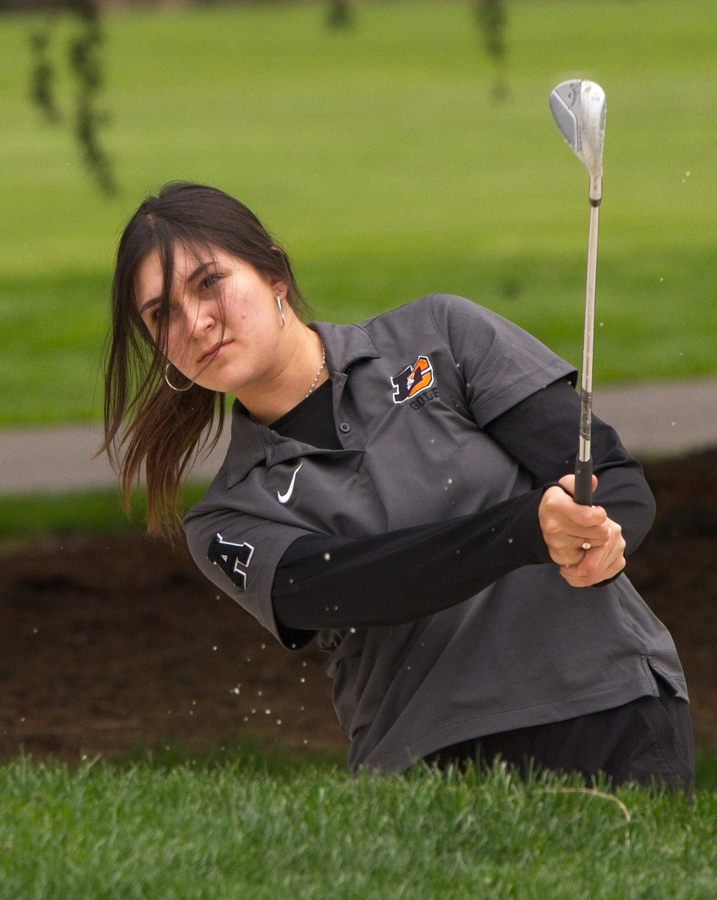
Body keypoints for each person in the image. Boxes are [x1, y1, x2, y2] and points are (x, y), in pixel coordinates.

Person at [101, 182, 693, 789]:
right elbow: (360, 584)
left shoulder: (440, 335)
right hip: (424, 768)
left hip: (608, 709)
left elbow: (612, 479)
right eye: (162, 314)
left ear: (274, 272)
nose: (196, 322)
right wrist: (525, 532)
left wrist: (606, 534)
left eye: (209, 283)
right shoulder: (226, 519)